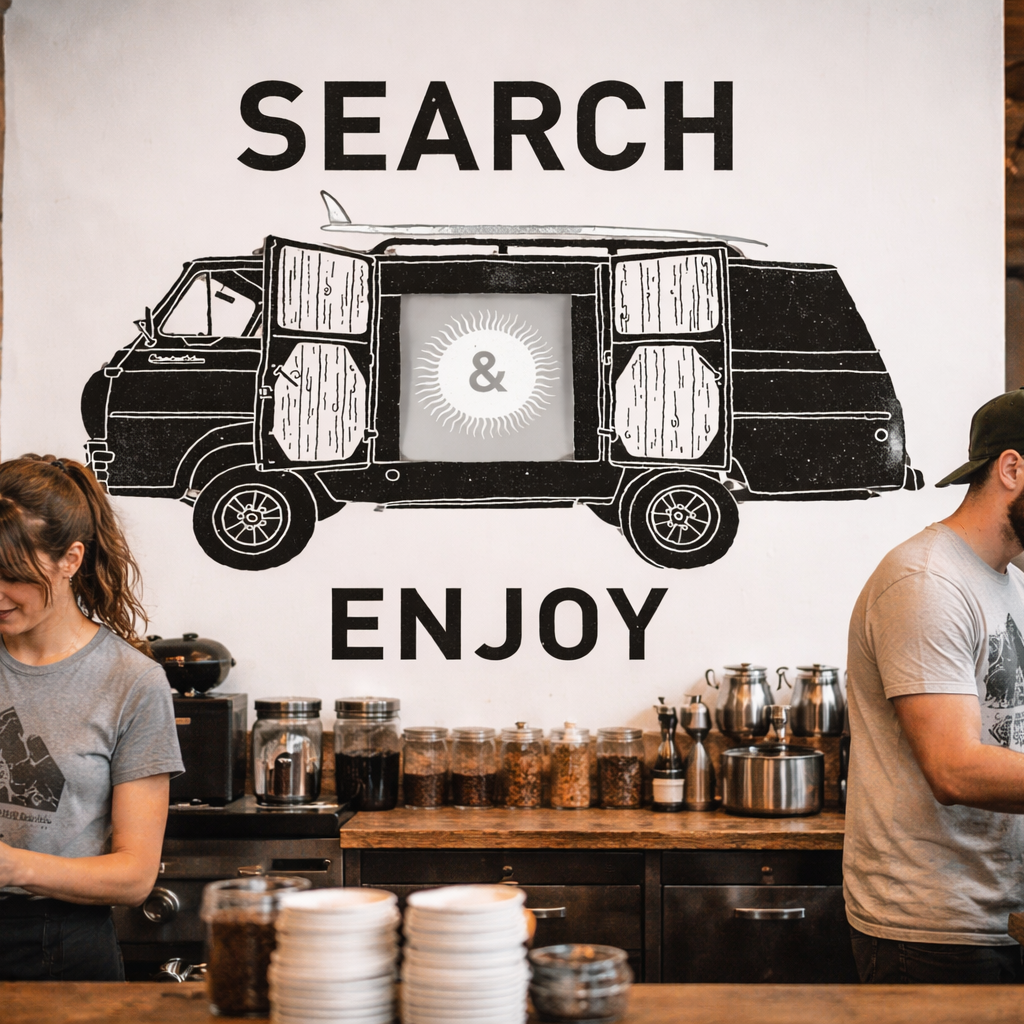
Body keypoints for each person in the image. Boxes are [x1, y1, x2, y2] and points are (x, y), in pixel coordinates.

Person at [844, 389, 1024, 984]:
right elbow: (955, 769)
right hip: (930, 930)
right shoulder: (925, 581)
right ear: (1012, 469)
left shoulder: (1009, 585)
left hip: (996, 911)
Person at [0, 455, 183, 981]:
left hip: (62, 949)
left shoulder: (132, 682)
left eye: (12, 575)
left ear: (70, 559)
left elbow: (134, 877)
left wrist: (13, 866)